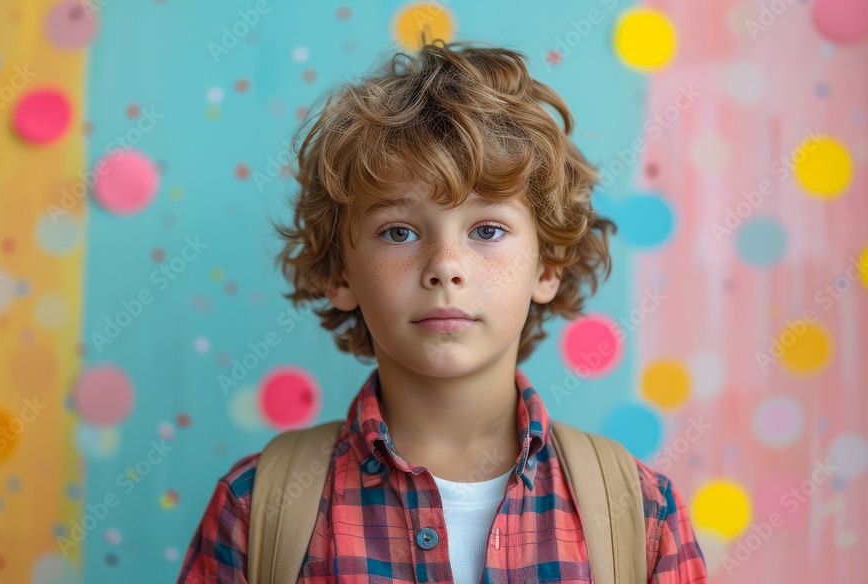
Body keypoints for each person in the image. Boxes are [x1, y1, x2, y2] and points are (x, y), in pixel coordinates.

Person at [176, 39, 709, 583]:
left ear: (547, 267)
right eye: (399, 231)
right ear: (340, 273)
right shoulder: (255, 508)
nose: (445, 267)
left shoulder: (643, 514)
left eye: (487, 230)